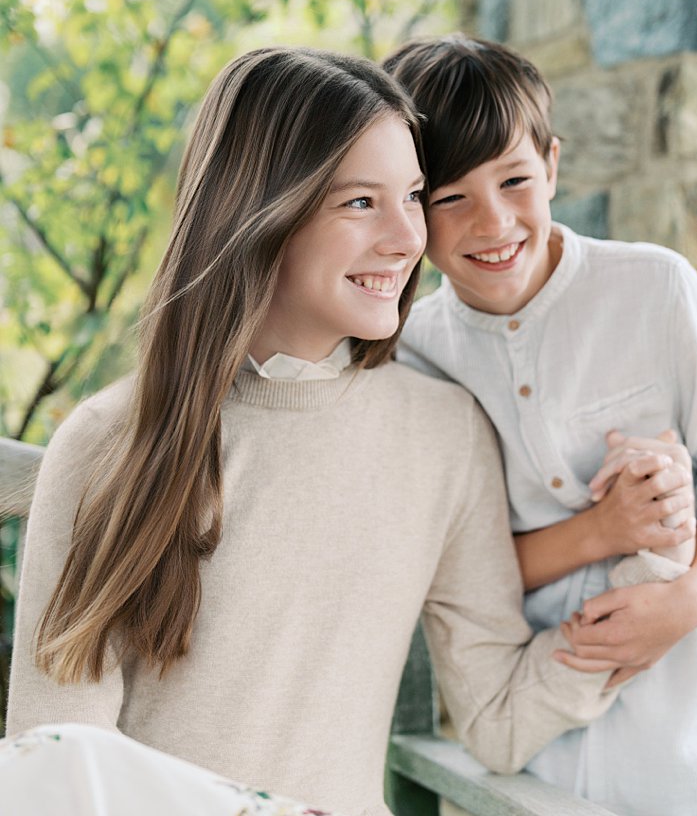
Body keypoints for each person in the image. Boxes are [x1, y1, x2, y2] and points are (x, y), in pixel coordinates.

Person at [6, 48, 624, 816]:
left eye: (413, 196)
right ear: (261, 212)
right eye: (360, 203)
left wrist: (658, 569)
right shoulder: (109, 443)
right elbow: (60, 763)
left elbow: (498, 716)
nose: (407, 239)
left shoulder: (446, 436)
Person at [385, 35, 697, 816]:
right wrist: (601, 533)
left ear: (552, 164)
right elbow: (438, 577)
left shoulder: (655, 287)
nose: (493, 222)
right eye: (451, 198)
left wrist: (692, 595)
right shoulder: (413, 355)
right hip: (541, 731)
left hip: (696, 716)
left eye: (515, 180)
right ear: (413, 208)